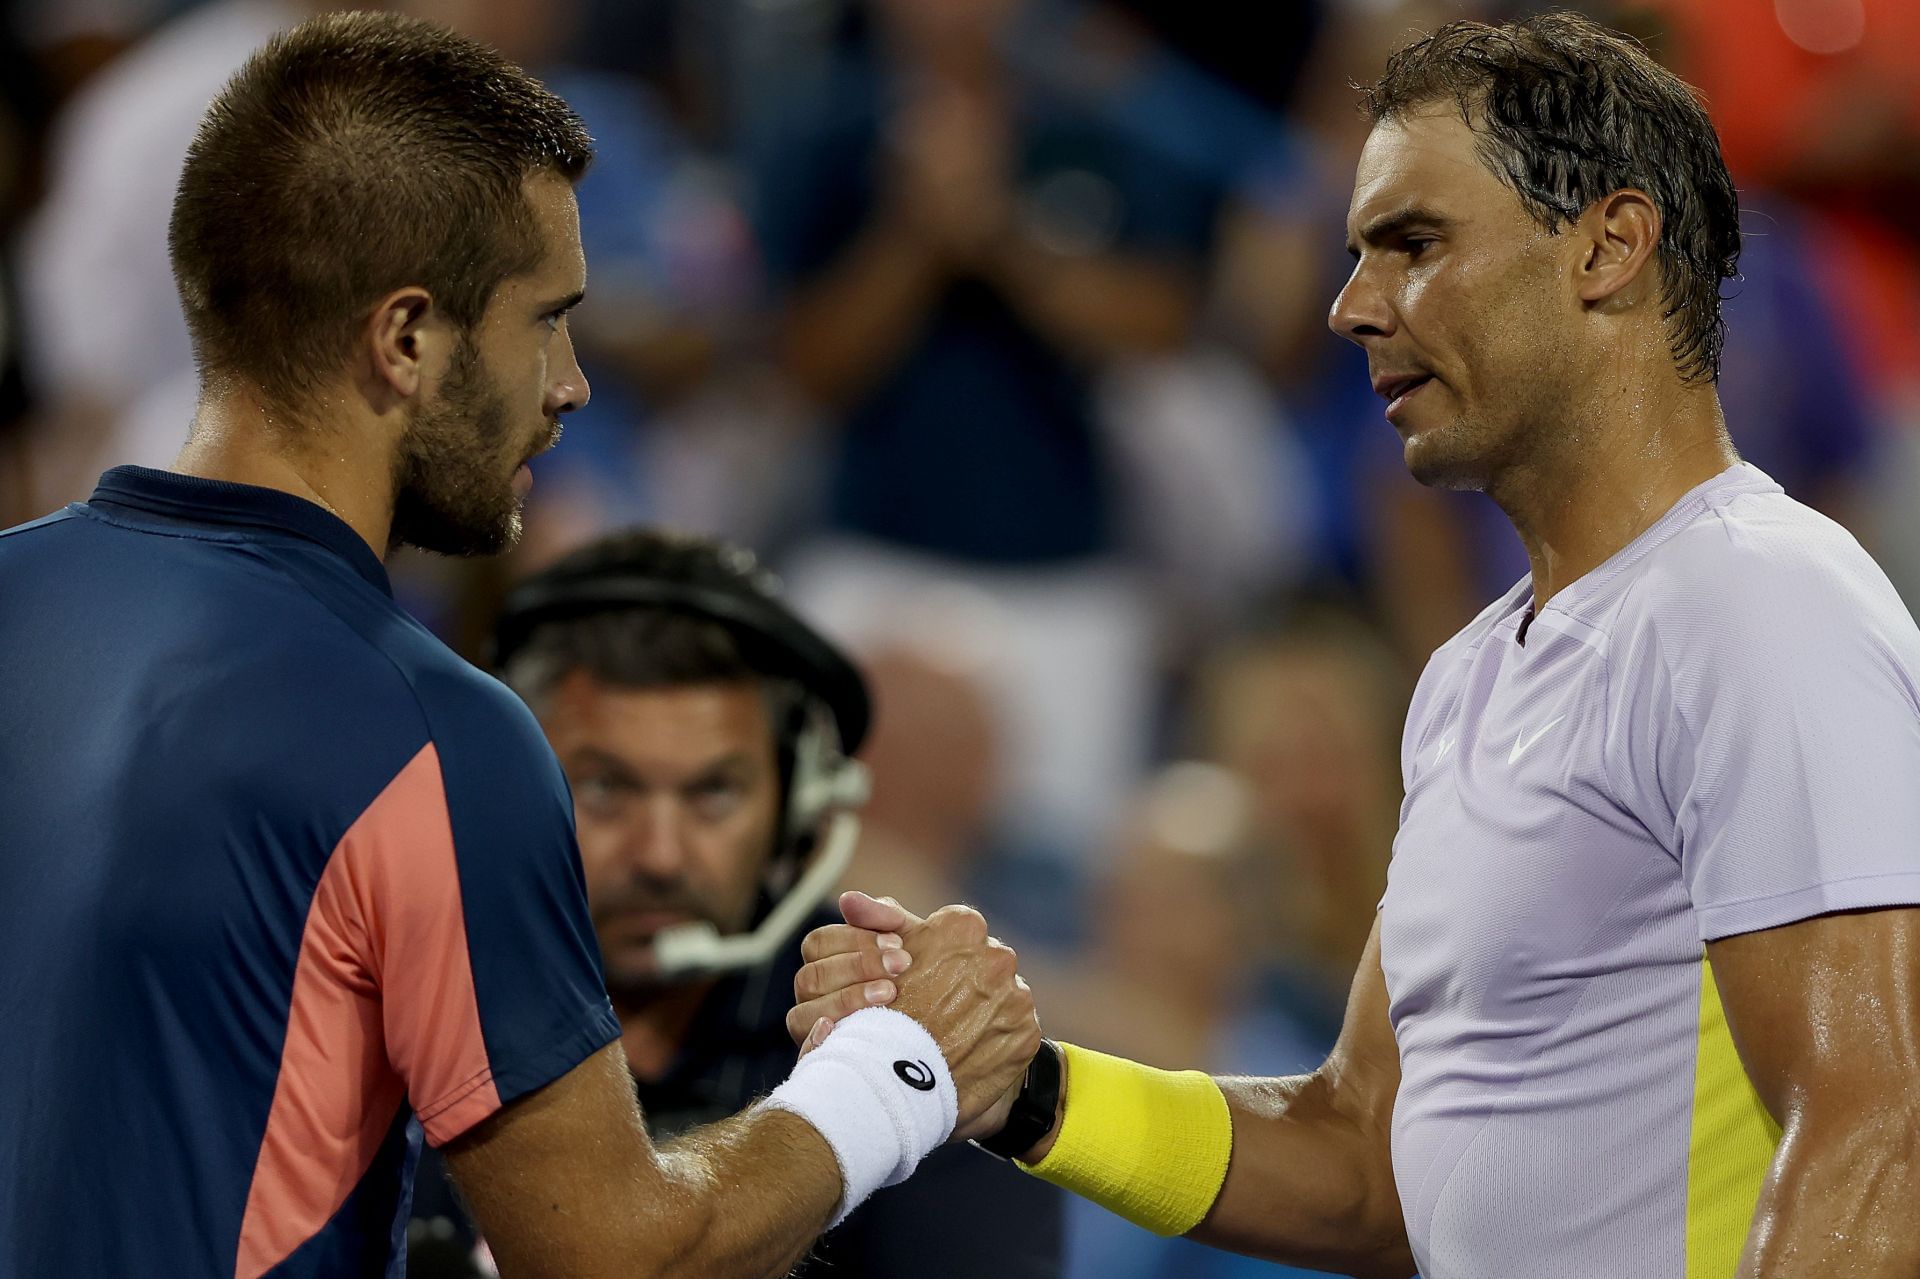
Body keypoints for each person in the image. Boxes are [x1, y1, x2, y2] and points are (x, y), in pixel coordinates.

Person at [794, 13, 1920, 1277]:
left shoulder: (1759, 601)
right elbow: (1363, 1162)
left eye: (1413, 244)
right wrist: (1026, 1088)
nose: (1349, 308)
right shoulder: (1471, 675)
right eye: (1354, 252)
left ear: (1608, 245)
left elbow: (1877, 1131)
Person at [0, 14, 1039, 1278]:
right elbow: (618, 1258)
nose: (572, 382)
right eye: (545, 319)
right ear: (408, 340)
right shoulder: (428, 736)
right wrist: (900, 1067)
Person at [408, 527, 1063, 1277]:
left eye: (712, 793)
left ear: (793, 811)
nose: (659, 853)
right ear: (507, 792)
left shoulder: (903, 1025)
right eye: (604, 787)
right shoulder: (391, 996)